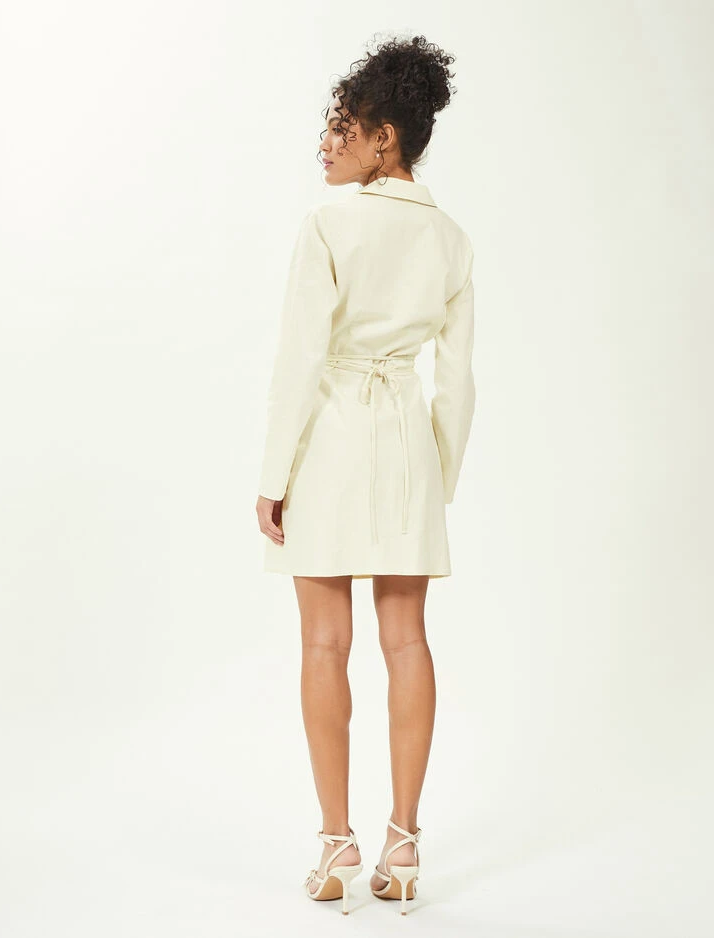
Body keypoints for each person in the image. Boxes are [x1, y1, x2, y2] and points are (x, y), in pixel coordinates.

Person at [255, 34, 475, 915]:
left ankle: (336, 842)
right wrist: (436, 477)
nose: (325, 145)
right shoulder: (451, 240)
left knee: (323, 644)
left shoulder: (329, 225)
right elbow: (457, 382)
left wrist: (274, 473)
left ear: (385, 138)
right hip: (407, 446)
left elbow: (300, 359)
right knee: (408, 641)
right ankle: (405, 842)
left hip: (332, 444)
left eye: (341, 129)